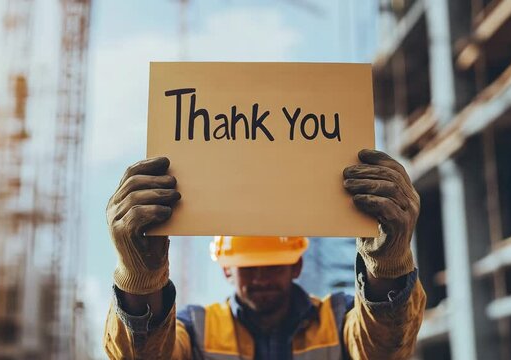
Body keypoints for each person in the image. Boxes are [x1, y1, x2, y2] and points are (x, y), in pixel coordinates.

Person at [104, 149, 426, 359]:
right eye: (248, 267)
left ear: (297, 265)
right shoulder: (195, 329)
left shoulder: (339, 320)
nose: (260, 277)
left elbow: (386, 350)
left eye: (273, 265)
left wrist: (387, 263)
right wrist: (141, 279)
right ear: (227, 268)